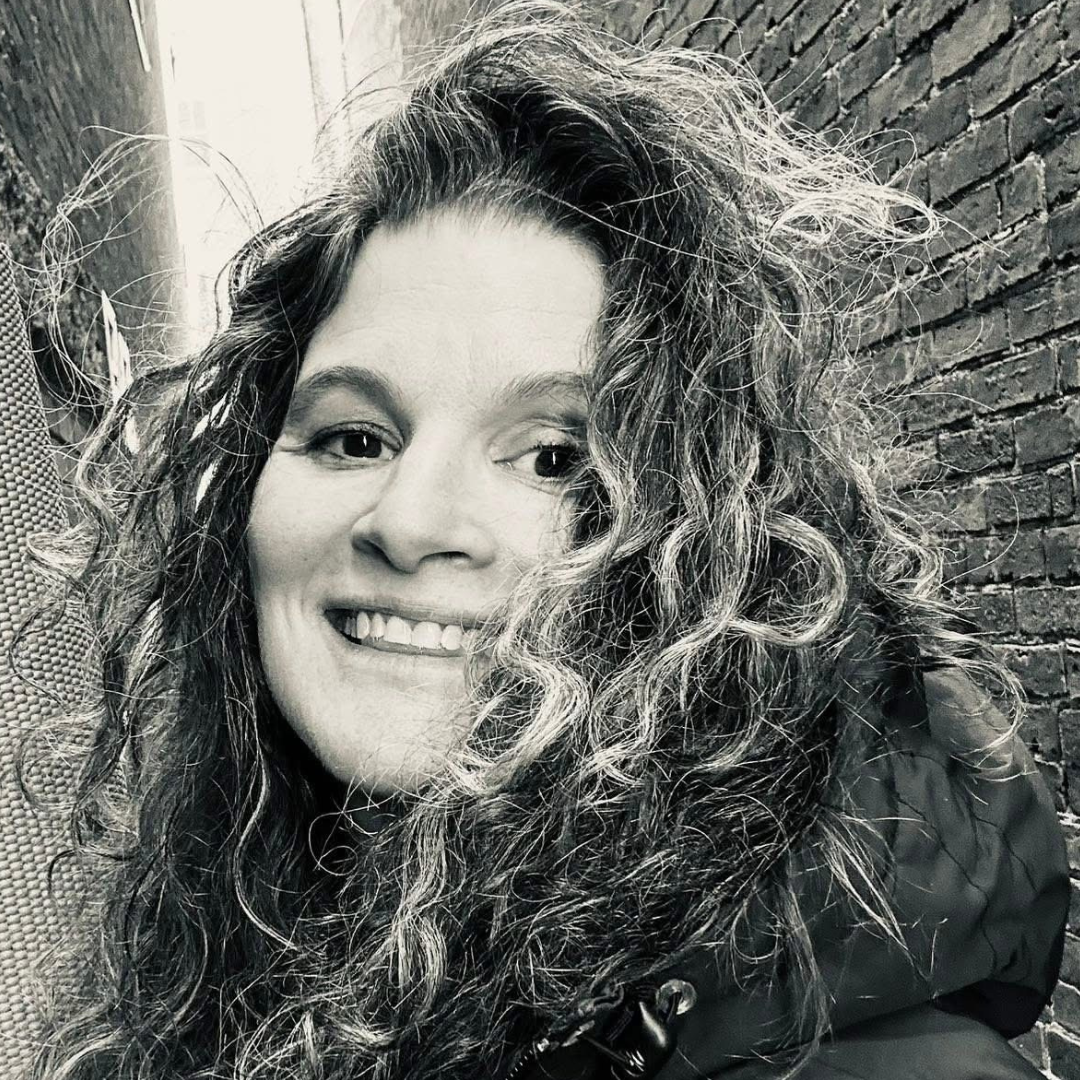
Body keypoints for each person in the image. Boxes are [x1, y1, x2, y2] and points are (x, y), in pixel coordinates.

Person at [23, 3, 1068, 1078]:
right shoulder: (238, 917)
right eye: (351, 435)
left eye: (555, 456)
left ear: (720, 545)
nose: (409, 520)